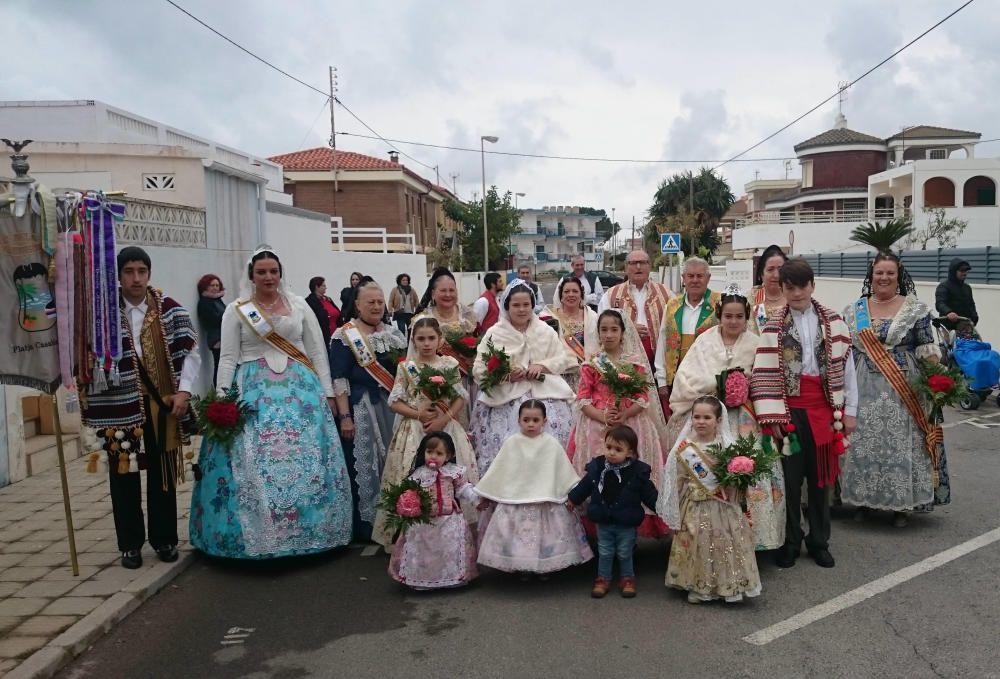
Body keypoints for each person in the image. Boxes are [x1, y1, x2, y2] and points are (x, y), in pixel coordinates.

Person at [189, 246, 353, 558]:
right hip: (253, 395)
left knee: (307, 461)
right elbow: (227, 358)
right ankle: (259, 537)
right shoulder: (236, 309)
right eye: (261, 272)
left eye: (273, 271)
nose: (268, 277)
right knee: (253, 464)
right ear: (251, 275)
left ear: (280, 274)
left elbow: (317, 352)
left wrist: (328, 393)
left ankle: (312, 533)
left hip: (301, 394)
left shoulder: (299, 305)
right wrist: (222, 401)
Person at [83, 247, 200, 569]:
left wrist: (184, 392)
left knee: (163, 474)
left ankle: (164, 539)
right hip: (116, 407)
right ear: (118, 276)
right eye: (129, 271)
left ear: (149, 273)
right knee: (124, 474)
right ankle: (130, 544)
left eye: (141, 271)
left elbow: (190, 352)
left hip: (162, 406)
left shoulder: (170, 310)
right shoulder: (101, 315)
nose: (136, 278)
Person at [750, 258, 858, 569]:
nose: (797, 293)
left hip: (825, 410)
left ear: (812, 285)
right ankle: (791, 541)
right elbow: (762, 373)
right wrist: (775, 418)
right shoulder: (773, 326)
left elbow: (846, 368)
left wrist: (849, 410)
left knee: (821, 481)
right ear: (782, 289)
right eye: (790, 287)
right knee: (790, 480)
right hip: (790, 412)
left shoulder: (834, 322)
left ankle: (819, 541)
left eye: (802, 286)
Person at [669, 284, 785, 551]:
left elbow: (768, 380)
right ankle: (706, 535)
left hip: (745, 419)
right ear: (719, 316)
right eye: (728, 316)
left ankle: (756, 537)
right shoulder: (704, 341)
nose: (733, 321)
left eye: (739, 317)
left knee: (751, 470)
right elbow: (686, 378)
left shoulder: (756, 343)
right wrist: (715, 383)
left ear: (747, 318)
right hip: (709, 419)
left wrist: (745, 384)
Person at [840, 251, 951, 527]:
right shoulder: (855, 310)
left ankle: (902, 505)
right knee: (863, 443)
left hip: (904, 385)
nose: (884, 277)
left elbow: (927, 349)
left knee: (902, 444)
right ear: (871, 276)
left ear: (898, 275)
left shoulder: (915, 309)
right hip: (862, 383)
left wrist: (940, 381)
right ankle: (864, 501)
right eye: (879, 272)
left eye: (890, 273)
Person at [372, 317, 478, 548]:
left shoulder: (449, 364)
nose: (427, 343)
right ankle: (410, 535)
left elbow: (461, 397)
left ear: (439, 340)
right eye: (421, 339)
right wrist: (418, 414)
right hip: (414, 429)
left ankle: (456, 532)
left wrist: (443, 419)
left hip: (445, 427)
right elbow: (394, 402)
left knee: (452, 478)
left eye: (431, 338)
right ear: (414, 340)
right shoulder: (406, 367)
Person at [568, 310, 669, 538]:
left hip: (630, 422)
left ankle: (631, 533)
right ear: (598, 333)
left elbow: (643, 398)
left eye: (614, 329)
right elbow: (583, 399)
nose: (609, 334)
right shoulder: (592, 364)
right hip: (597, 423)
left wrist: (624, 415)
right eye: (604, 329)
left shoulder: (634, 363)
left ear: (623, 333)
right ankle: (599, 533)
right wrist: (603, 416)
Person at [657, 396, 762, 604]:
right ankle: (700, 586)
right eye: (697, 417)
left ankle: (726, 585)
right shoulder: (686, 449)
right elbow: (677, 479)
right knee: (698, 545)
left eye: (707, 417)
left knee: (723, 545)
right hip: (694, 505)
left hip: (722, 506)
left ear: (718, 420)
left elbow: (738, 482)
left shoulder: (728, 447)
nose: (701, 421)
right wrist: (676, 507)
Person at [330, 278, 409, 542]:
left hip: (393, 406)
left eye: (379, 302)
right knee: (369, 462)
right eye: (370, 302)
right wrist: (345, 417)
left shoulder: (394, 332)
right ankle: (369, 524)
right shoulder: (345, 335)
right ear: (357, 304)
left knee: (394, 461)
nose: (376, 307)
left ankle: (399, 517)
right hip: (363, 408)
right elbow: (339, 379)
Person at [475, 400, 593, 575]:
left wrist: (571, 495)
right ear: (519, 420)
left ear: (544, 421)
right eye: (526, 420)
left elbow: (562, 470)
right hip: (515, 499)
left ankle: (545, 567)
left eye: (535, 420)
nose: (531, 424)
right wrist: (487, 495)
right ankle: (522, 567)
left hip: (546, 500)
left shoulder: (551, 443)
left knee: (547, 537)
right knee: (518, 537)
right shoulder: (512, 443)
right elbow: (499, 471)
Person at [471, 280, 578, 475]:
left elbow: (563, 359)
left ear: (532, 305)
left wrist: (542, 366)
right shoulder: (495, 333)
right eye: (516, 305)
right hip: (504, 397)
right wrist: (505, 376)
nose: (522, 310)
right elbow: (478, 370)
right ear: (506, 306)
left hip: (547, 392)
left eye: (526, 305)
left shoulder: (545, 330)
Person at [567, 425, 658, 598]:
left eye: (618, 449)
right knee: (605, 551)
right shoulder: (597, 467)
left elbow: (649, 494)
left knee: (625, 551)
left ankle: (627, 579)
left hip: (626, 521)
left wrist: (660, 508)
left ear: (630, 452)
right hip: (604, 519)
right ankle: (603, 579)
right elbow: (585, 486)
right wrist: (573, 499)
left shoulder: (637, 472)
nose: (612, 453)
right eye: (609, 447)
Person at [388, 432, 479, 589]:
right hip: (424, 522)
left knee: (449, 549)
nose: (433, 456)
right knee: (425, 551)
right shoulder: (418, 474)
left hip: (449, 520)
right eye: (429, 452)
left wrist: (476, 499)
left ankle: (452, 578)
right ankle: (423, 579)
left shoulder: (454, 472)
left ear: (449, 455)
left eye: (439, 453)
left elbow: (463, 488)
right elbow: (408, 494)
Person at [654, 257, 721, 414]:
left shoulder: (720, 303)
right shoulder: (672, 305)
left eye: (700, 276)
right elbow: (663, 342)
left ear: (708, 278)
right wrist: (662, 380)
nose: (695, 280)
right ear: (683, 278)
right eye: (690, 276)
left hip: (709, 383)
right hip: (677, 382)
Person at [597, 249, 672, 369]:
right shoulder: (611, 295)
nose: (638, 267)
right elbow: (600, 328)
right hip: (621, 364)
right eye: (633, 263)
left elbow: (672, 328)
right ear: (626, 267)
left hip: (658, 362)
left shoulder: (666, 294)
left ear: (649, 266)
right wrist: (628, 329)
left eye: (643, 262)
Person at [541, 276, 599, 389]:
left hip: (589, 376)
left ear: (581, 295)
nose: (571, 294)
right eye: (566, 291)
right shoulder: (548, 318)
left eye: (575, 291)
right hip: (558, 378)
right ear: (561, 296)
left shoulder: (593, 317)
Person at [196, 273, 226, 385]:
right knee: (219, 365)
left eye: (217, 285)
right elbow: (211, 320)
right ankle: (219, 392)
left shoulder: (218, 300)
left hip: (224, 336)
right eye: (212, 285)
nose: (215, 288)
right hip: (216, 339)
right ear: (205, 286)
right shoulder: (204, 302)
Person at [750, 244, 788, 331]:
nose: (776, 275)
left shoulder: (795, 298)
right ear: (761, 274)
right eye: (770, 269)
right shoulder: (749, 299)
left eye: (781, 269)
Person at [935, 257, 978, 330]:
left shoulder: (967, 288)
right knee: (951, 340)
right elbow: (940, 303)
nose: (964, 273)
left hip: (966, 327)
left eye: (966, 271)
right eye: (961, 271)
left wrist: (974, 318)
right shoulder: (943, 287)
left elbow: (971, 305)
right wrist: (949, 312)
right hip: (950, 328)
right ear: (954, 271)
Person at [305, 276, 340, 347]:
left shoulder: (327, 299)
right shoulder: (310, 301)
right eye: (323, 285)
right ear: (317, 287)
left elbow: (338, 313)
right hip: (324, 337)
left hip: (336, 335)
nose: (326, 287)